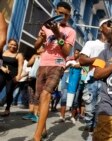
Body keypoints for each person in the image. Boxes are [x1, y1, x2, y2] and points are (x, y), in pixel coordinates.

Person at [33, 1, 76, 141]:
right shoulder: (46, 27)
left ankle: (37, 137)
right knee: (40, 98)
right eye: (59, 13)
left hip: (58, 65)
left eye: (65, 14)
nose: (62, 16)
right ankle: (43, 129)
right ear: (55, 12)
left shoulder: (71, 31)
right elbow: (36, 46)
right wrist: (42, 37)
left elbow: (66, 52)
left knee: (46, 95)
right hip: (43, 64)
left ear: (69, 16)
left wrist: (58, 35)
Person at [79, 17, 112, 133]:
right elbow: (82, 61)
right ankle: (89, 126)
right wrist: (100, 58)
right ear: (100, 28)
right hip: (92, 80)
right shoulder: (91, 43)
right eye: (108, 24)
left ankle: (94, 133)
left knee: (101, 111)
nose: (111, 26)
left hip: (106, 81)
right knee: (89, 111)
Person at [0, 39, 24, 116]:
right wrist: (2, 68)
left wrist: (18, 76)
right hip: (1, 74)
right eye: (11, 44)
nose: (13, 46)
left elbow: (20, 67)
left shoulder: (19, 55)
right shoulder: (3, 52)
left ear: (17, 46)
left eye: (15, 45)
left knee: (9, 92)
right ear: (8, 44)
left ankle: (7, 109)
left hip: (12, 76)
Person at [22, 46, 43, 122]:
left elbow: (29, 64)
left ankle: (34, 114)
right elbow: (28, 64)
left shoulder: (40, 57)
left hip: (37, 78)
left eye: (40, 47)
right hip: (36, 78)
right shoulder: (39, 57)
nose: (38, 49)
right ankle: (32, 113)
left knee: (35, 96)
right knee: (33, 96)